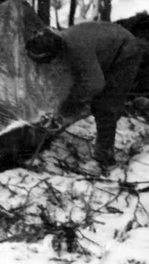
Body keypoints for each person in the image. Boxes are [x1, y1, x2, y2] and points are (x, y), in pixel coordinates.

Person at [26, 22, 142, 173]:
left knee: (105, 106)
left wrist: (72, 101)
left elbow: (95, 84)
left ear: (53, 53)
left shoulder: (76, 48)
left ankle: (104, 160)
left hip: (124, 51)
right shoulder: (60, 42)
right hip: (105, 48)